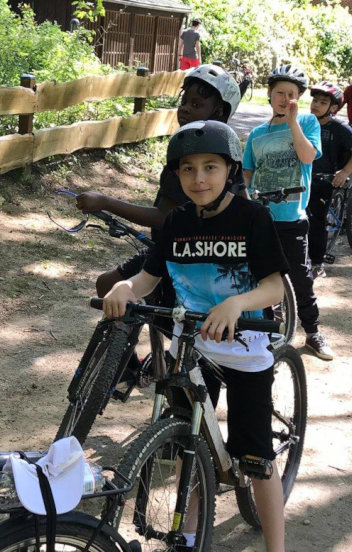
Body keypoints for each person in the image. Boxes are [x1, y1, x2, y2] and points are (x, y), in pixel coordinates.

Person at [103, 120, 293, 552]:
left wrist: (236, 304)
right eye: (188, 169)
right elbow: (148, 278)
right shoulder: (177, 223)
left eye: (210, 167)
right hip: (192, 350)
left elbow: (275, 286)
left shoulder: (252, 217)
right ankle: (185, 539)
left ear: (229, 170)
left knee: (255, 458)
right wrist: (124, 288)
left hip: (246, 351)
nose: (199, 178)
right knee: (193, 446)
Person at [75, 64, 243, 381]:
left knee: (176, 323)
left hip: (197, 256)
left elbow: (164, 217)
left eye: (197, 104)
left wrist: (106, 202)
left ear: (219, 112)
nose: (186, 109)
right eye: (184, 101)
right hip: (168, 248)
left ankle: (170, 368)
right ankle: (127, 367)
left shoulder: (209, 158)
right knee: (108, 284)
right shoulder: (192, 151)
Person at [243, 64, 334, 360]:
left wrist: (293, 123)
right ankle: (268, 330)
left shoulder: (307, 122)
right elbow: (247, 173)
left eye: (291, 94)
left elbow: (308, 156)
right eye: (280, 93)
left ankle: (313, 332)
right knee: (260, 276)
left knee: (299, 277)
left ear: (299, 98)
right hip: (261, 217)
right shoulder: (257, 134)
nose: (285, 99)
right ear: (269, 95)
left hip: (291, 217)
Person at [307, 81, 352, 276]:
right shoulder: (304, 123)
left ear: (333, 108)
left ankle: (318, 263)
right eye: (315, 100)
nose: (316, 105)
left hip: (326, 179)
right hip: (304, 177)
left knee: (316, 220)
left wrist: (345, 172)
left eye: (323, 102)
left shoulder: (339, 128)